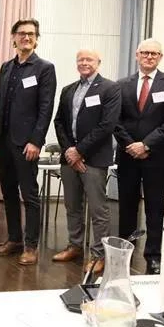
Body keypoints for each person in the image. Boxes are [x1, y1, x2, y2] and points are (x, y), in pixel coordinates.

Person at [0, 18, 56, 265]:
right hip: (5, 142)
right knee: (8, 191)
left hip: (27, 143)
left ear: (36, 38)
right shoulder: (6, 67)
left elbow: (45, 108)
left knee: (29, 195)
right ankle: (14, 239)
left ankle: (31, 246)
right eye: (21, 33)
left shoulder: (44, 68)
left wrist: (36, 141)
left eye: (31, 34)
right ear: (14, 37)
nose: (26, 37)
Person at [52, 50, 121, 274]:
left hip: (93, 158)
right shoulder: (68, 89)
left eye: (89, 59)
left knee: (98, 210)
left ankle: (99, 254)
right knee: (72, 205)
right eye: (80, 59)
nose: (84, 63)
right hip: (69, 158)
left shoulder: (110, 89)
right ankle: (75, 246)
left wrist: (80, 151)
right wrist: (69, 151)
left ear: (98, 63)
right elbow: (59, 122)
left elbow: (107, 125)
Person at [114, 38, 164, 275]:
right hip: (127, 155)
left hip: (157, 157)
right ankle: (124, 253)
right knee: (127, 207)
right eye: (145, 53)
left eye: (154, 54)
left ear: (160, 57)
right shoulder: (121, 85)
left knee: (155, 208)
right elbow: (115, 120)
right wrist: (131, 144)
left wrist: (146, 145)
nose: (149, 57)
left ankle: (153, 256)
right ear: (137, 55)